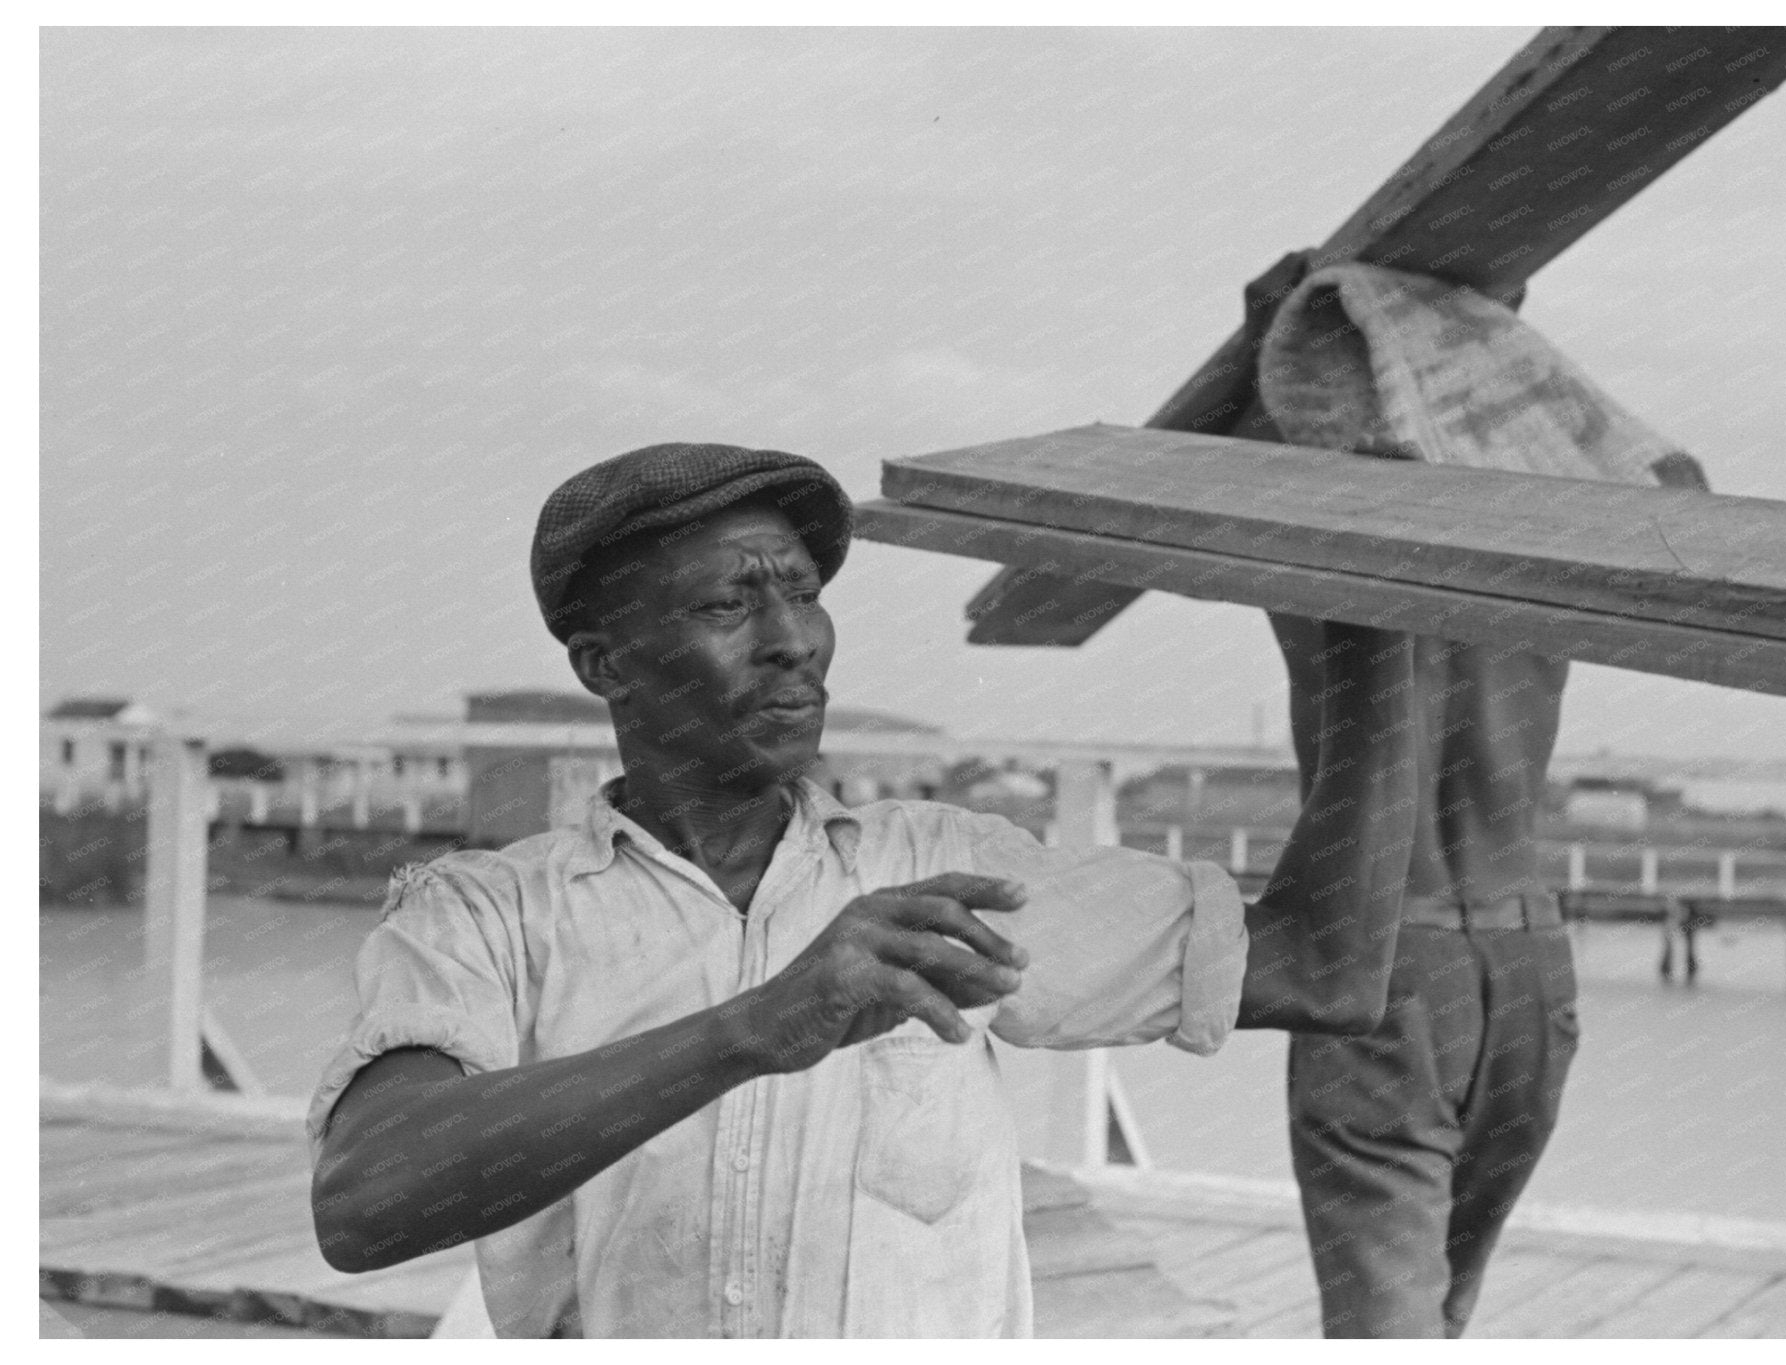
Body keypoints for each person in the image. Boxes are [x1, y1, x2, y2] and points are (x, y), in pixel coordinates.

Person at [308, 442, 1419, 1338]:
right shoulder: (484, 914)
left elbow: (1322, 967)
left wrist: (1362, 627)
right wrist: (760, 1025)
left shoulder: (938, 866)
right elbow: (363, 1203)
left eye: (801, 593)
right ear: (605, 666)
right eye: (726, 607)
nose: (793, 641)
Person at [1238, 251, 1712, 1338]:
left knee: (1387, 1329)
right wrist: (1477, 324)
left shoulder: (1316, 546)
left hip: (1384, 952)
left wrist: (1265, 326)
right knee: (1443, 1313)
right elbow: (1665, 493)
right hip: (1527, 957)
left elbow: (1226, 456)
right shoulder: (1536, 538)